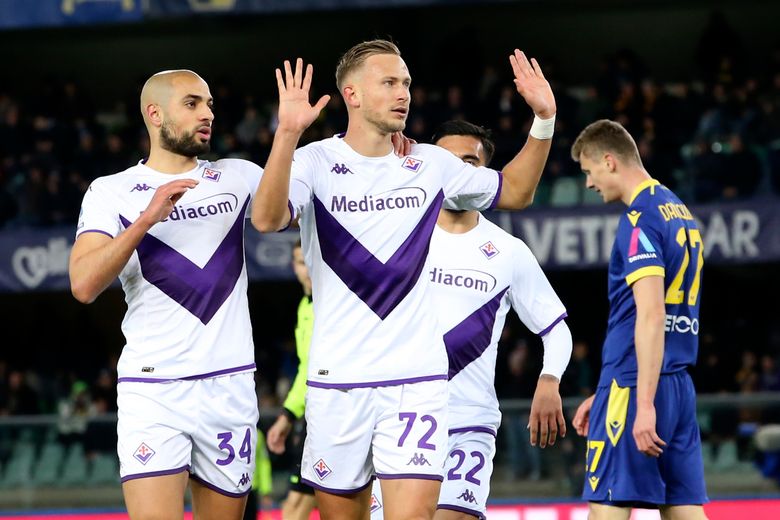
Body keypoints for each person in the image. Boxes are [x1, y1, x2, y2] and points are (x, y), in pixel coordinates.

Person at [252, 39, 557, 520]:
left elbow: (516, 191)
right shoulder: (313, 162)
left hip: (415, 383)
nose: (404, 94)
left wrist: (544, 119)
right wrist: (287, 134)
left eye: (407, 84)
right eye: (389, 83)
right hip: (338, 385)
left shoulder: (431, 164)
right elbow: (267, 218)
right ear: (351, 94)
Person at [69, 70, 261, 520]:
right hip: (154, 390)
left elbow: (308, 206)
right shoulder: (109, 191)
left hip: (229, 384)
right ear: (155, 115)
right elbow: (83, 285)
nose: (208, 113)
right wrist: (145, 220)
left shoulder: (238, 176)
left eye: (210, 104)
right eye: (192, 104)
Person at [570, 120, 709, 519]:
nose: (589, 184)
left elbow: (650, 314)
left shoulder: (639, 219)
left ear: (609, 162)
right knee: (683, 508)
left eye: (589, 171)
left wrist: (638, 400)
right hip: (677, 386)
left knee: (608, 507)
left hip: (635, 387)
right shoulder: (677, 210)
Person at [266, 240, 318, 520]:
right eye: (300, 261)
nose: (306, 268)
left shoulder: (333, 303)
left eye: (310, 259)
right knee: (294, 506)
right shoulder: (304, 307)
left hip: (335, 412)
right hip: (312, 416)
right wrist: (287, 415)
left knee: (295, 507)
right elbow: (306, 370)